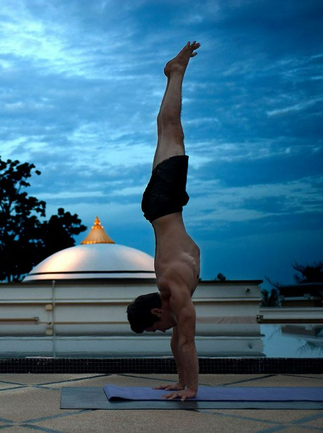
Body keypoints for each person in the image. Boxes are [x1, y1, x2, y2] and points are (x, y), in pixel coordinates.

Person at [126, 41, 202, 401]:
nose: (162, 332)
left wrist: (193, 388)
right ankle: (174, 73)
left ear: (158, 310)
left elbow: (186, 339)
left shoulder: (175, 288)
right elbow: (179, 340)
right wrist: (181, 383)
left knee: (171, 129)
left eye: (155, 327)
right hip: (161, 206)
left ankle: (176, 71)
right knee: (167, 130)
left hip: (165, 204)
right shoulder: (172, 296)